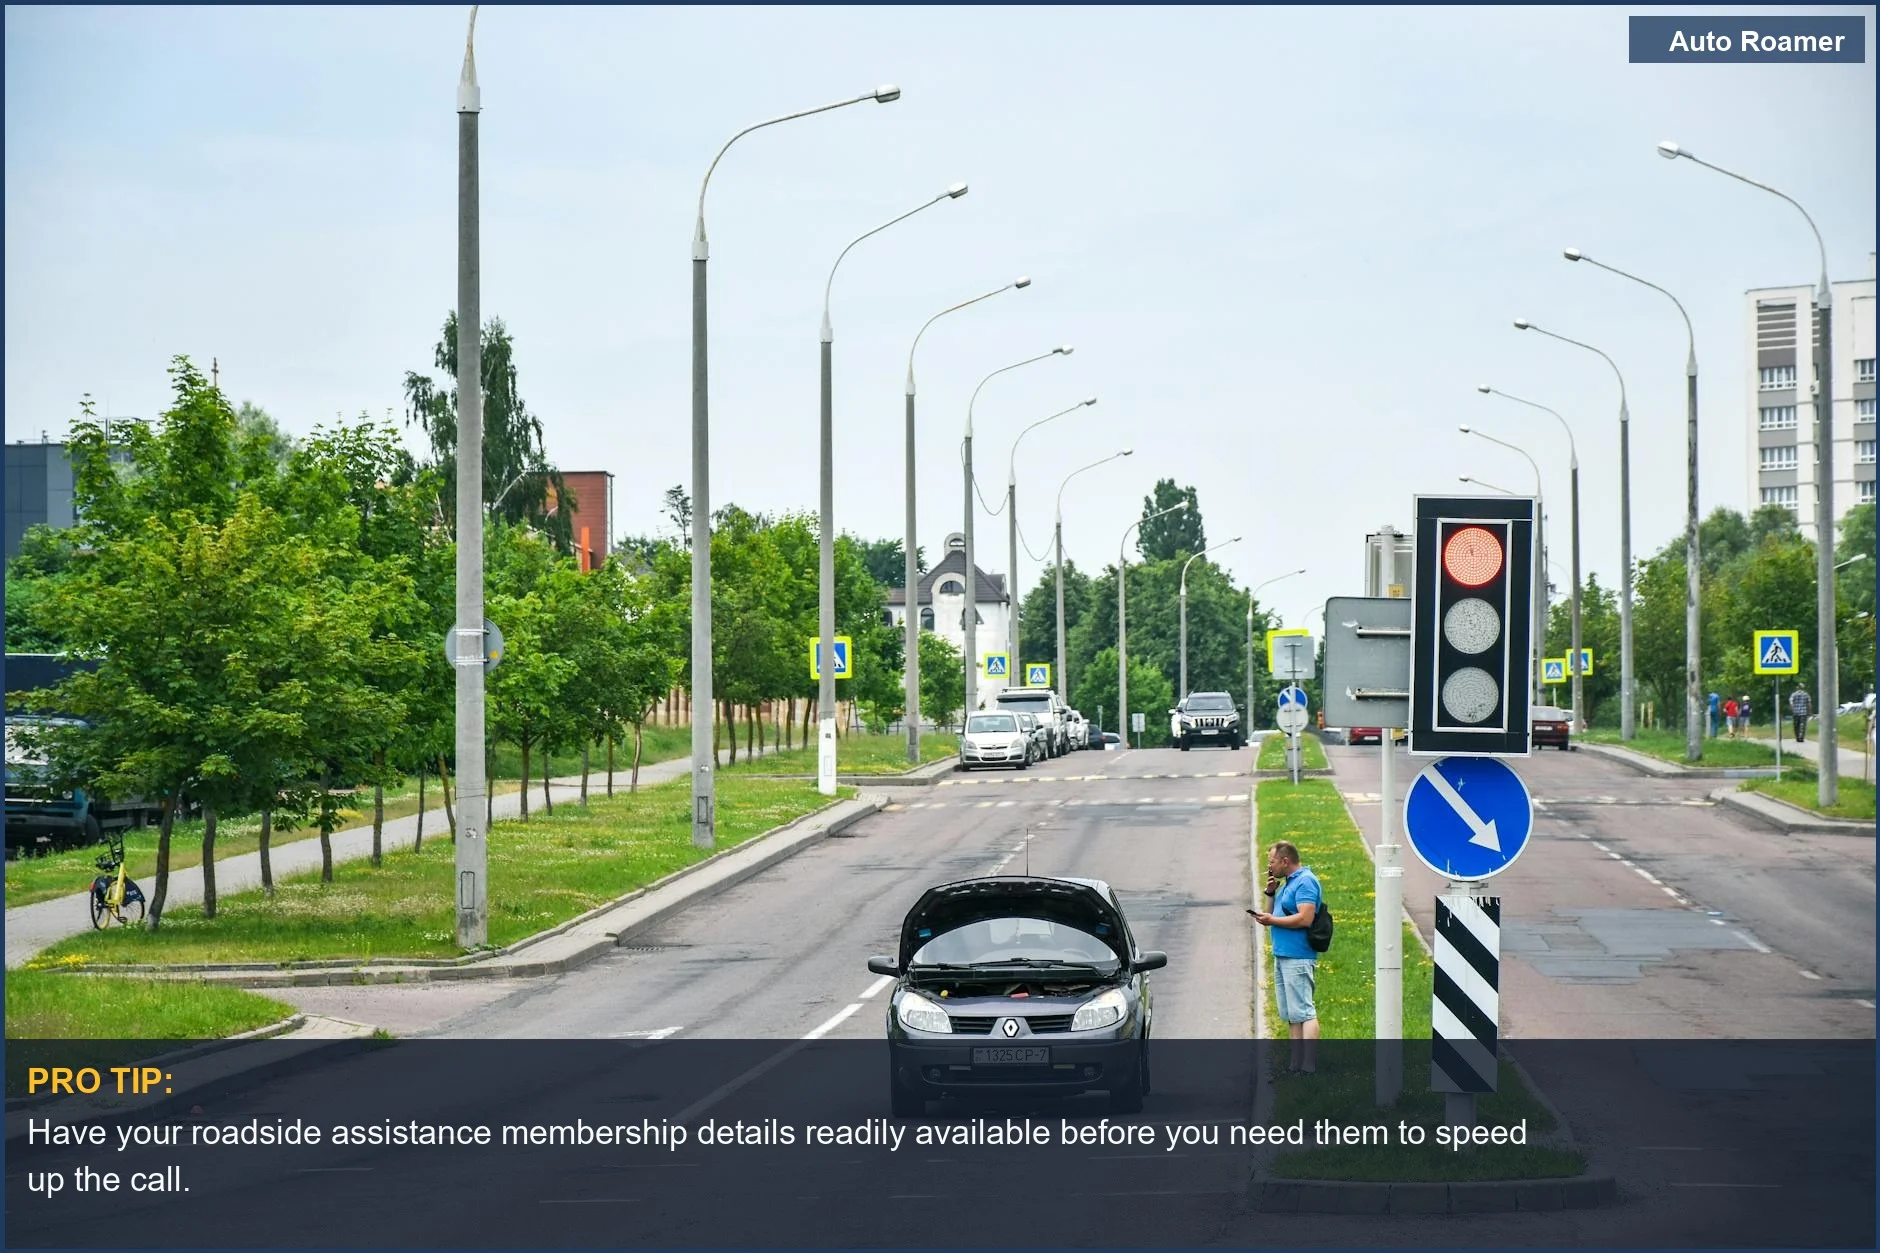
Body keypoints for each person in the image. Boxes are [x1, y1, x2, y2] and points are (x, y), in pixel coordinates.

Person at [1251, 840, 1321, 1075]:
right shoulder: (1289, 883)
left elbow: (1305, 918)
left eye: (1271, 862)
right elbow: (1270, 913)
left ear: (1285, 861)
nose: (1269, 867)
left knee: (1305, 1012)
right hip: (1283, 955)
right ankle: (1295, 1065)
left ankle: (1308, 1066)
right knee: (1292, 1014)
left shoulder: (1305, 882)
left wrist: (1272, 921)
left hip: (1298, 955)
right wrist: (1271, 893)